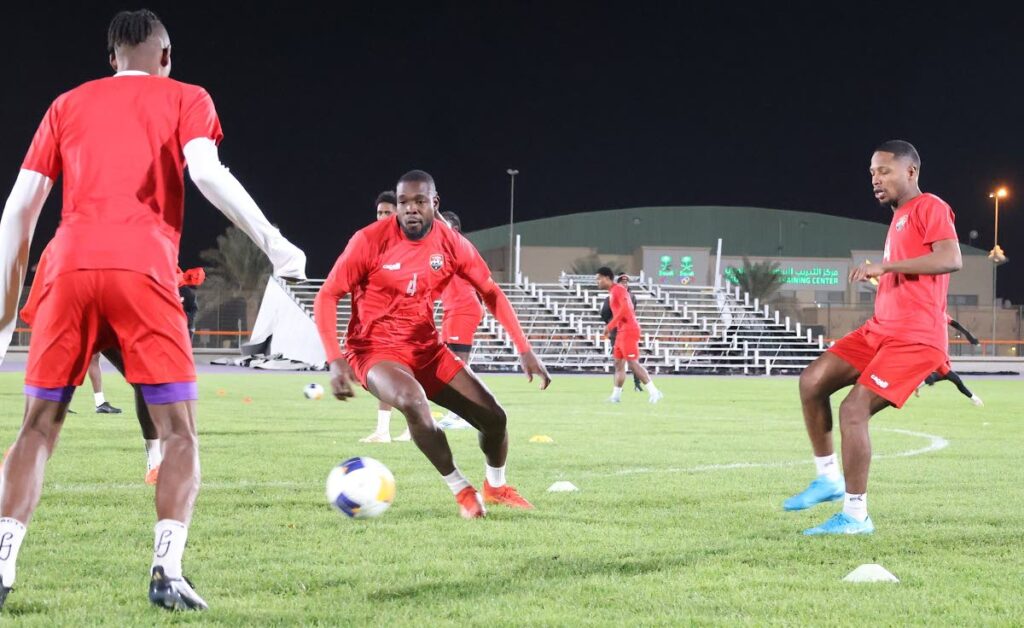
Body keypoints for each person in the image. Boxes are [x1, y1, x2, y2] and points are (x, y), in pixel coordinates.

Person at [0, 9, 306, 611]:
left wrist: (6, 314)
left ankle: (2, 562)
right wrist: (275, 243)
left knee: (36, 428)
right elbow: (206, 172)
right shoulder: (186, 96)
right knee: (179, 432)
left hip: (66, 268)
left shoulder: (66, 104)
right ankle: (166, 568)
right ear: (166, 57)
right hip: (142, 265)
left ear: (110, 57)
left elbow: (18, 212)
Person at [314, 170, 550, 519]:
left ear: (434, 203)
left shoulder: (451, 244)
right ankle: (461, 489)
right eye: (404, 202)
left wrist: (524, 348)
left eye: (420, 201)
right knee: (412, 400)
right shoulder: (368, 241)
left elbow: (490, 291)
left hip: (426, 348)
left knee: (495, 419)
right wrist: (334, 358)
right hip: (374, 350)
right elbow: (328, 295)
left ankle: (496, 486)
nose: (410, 209)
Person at [785, 140, 961, 535]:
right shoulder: (899, 218)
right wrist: (884, 279)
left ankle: (856, 515)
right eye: (871, 173)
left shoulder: (929, 205)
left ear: (910, 171)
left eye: (884, 171)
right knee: (812, 380)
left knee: (853, 410)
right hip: (881, 330)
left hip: (913, 339)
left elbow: (951, 258)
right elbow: (911, 276)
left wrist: (886, 266)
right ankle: (827, 478)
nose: (875, 180)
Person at [360, 191, 412, 443]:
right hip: (381, 323)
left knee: (400, 375)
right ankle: (384, 430)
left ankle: (413, 425)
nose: (381, 217)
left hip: (405, 322)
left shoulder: (407, 244)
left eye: (387, 212)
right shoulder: (371, 244)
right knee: (386, 374)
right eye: (379, 212)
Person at [435, 210, 484, 430]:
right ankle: (460, 412)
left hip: (463, 308)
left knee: (458, 366)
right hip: (452, 309)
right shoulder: (441, 251)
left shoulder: (458, 246)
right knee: (451, 365)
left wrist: (434, 213)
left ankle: (467, 414)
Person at [596, 267, 662, 404]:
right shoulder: (613, 291)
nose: (597, 281)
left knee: (632, 363)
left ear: (607, 278)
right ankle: (616, 396)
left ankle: (654, 392)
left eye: (599, 278)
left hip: (629, 330)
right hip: (621, 331)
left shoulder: (619, 289)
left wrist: (610, 325)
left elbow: (625, 309)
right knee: (618, 363)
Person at [914, 317, 983, 406]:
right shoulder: (929, 316)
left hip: (940, 352)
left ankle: (918, 384)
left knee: (943, 375)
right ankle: (975, 399)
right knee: (954, 378)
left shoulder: (941, 315)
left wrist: (969, 336)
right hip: (935, 352)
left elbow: (956, 324)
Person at [600, 274, 644, 392]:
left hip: (626, 330)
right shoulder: (612, 296)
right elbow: (605, 313)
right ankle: (619, 387)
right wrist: (611, 324)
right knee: (619, 361)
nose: (625, 284)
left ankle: (637, 384)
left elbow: (631, 312)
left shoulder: (632, 296)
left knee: (631, 359)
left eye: (626, 282)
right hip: (617, 330)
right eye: (622, 282)